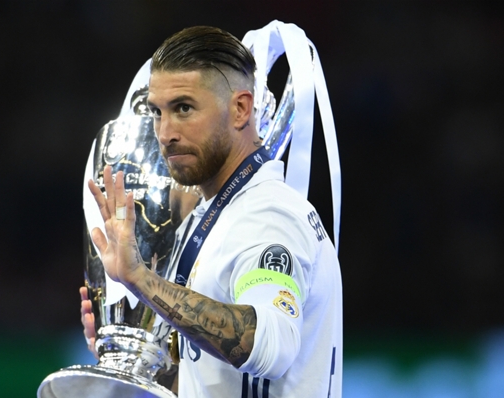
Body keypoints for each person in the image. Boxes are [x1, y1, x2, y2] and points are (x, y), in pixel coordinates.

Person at [82, 25, 343, 398]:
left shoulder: (268, 216)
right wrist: (134, 357)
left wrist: (141, 279)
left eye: (183, 108)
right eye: (157, 112)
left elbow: (272, 347)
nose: (165, 132)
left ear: (240, 109)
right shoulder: (210, 218)